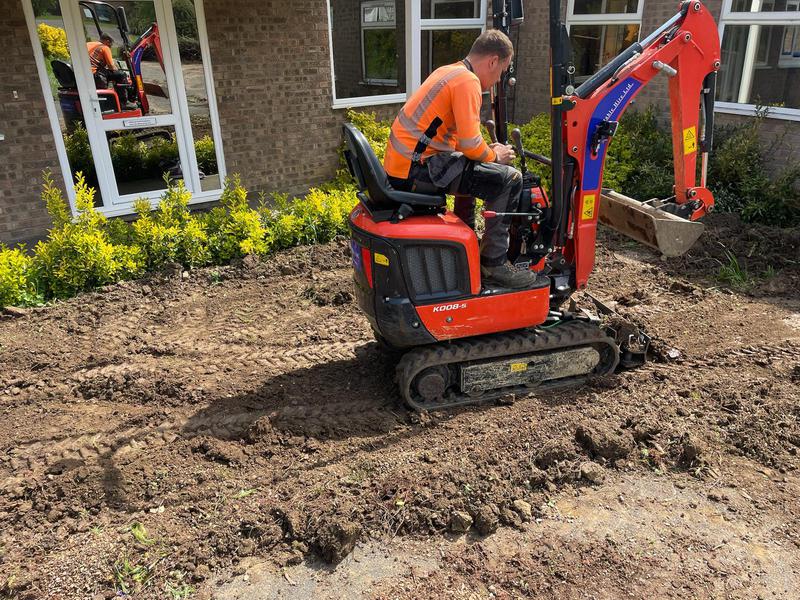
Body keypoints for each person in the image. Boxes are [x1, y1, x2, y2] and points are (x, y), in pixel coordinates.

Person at [383, 29, 536, 289]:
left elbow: (461, 143)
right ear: (492, 61)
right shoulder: (468, 82)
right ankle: (493, 263)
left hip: (405, 166)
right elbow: (470, 145)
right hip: (418, 170)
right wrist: (495, 155)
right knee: (510, 179)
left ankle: (466, 239)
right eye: (501, 72)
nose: (497, 79)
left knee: (472, 166)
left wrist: (484, 153)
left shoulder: (448, 72)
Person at [86, 33, 129, 106]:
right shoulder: (105, 47)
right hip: (94, 75)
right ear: (107, 41)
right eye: (111, 44)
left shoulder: (88, 44)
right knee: (121, 75)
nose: (111, 46)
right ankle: (123, 102)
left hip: (84, 74)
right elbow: (112, 67)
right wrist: (119, 70)